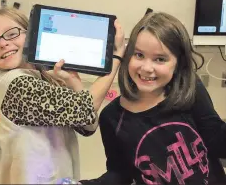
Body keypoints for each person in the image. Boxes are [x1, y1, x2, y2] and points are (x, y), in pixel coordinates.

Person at [0, 7, 125, 184]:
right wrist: (116, 57)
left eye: (11, 34)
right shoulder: (14, 84)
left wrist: (74, 83)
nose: (3, 43)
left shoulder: (42, 78)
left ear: (31, 33)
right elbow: (85, 110)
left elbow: (87, 126)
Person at [79, 12, 226, 185]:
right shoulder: (111, 117)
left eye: (160, 59)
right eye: (139, 55)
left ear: (179, 63)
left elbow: (217, 141)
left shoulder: (190, 90)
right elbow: (120, 173)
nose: (147, 68)